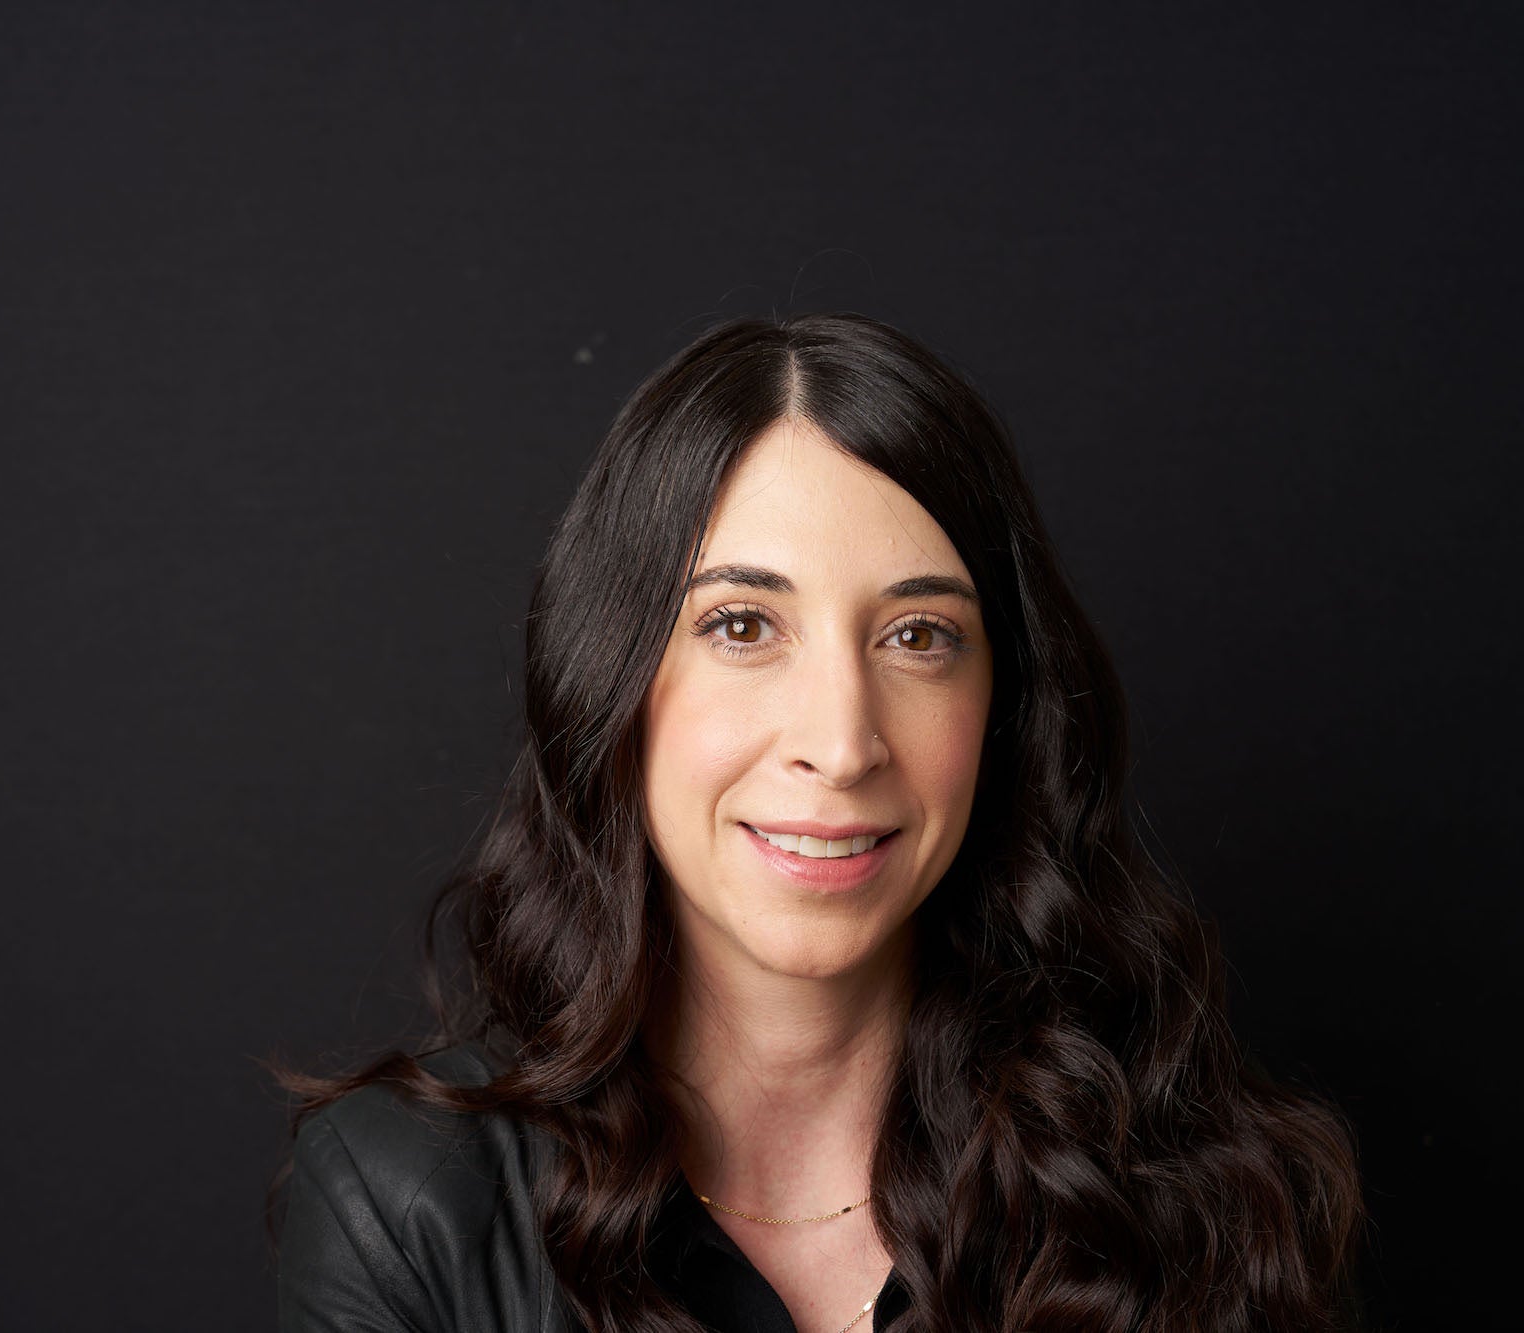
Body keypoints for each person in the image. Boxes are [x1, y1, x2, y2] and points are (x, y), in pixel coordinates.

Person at [274, 314, 1364, 1332]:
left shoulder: (1197, 1196)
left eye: (918, 635)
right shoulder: (404, 1198)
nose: (840, 744)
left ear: (1005, 706)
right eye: (741, 625)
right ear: (609, 677)